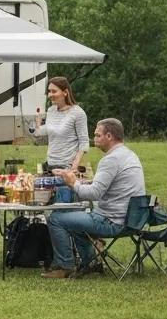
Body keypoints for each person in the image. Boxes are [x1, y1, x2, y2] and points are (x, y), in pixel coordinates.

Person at [43, 118, 146, 279]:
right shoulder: (128, 155)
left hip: (112, 221)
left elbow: (93, 194)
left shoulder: (110, 160)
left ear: (109, 136)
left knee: (56, 218)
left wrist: (72, 183)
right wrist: (83, 182)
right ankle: (90, 262)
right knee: (75, 219)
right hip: (133, 220)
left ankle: (64, 266)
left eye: (98, 135)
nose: (94, 139)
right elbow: (110, 185)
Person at [31, 77, 89, 173]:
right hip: (50, 165)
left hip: (67, 167)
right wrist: (37, 125)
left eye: (54, 91)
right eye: (49, 91)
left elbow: (84, 142)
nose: (50, 95)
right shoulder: (51, 110)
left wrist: (74, 166)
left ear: (65, 92)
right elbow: (44, 131)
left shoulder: (78, 113)